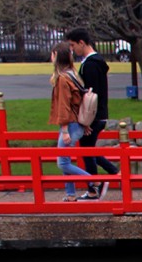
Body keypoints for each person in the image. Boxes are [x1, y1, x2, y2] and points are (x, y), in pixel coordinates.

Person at [65, 28, 119, 200]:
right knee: (88, 149)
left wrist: (87, 121)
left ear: (82, 42)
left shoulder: (90, 65)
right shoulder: (96, 63)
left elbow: (90, 95)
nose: (72, 50)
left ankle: (93, 187)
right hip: (99, 113)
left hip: (93, 115)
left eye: (73, 45)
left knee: (87, 150)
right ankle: (111, 171)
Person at [48, 42, 93, 202]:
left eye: (52, 55)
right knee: (65, 160)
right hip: (77, 123)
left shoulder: (62, 79)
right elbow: (79, 101)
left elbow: (64, 106)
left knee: (63, 162)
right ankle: (70, 193)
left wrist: (65, 129)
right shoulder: (73, 75)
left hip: (70, 125)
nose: (51, 58)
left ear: (57, 56)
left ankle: (93, 181)